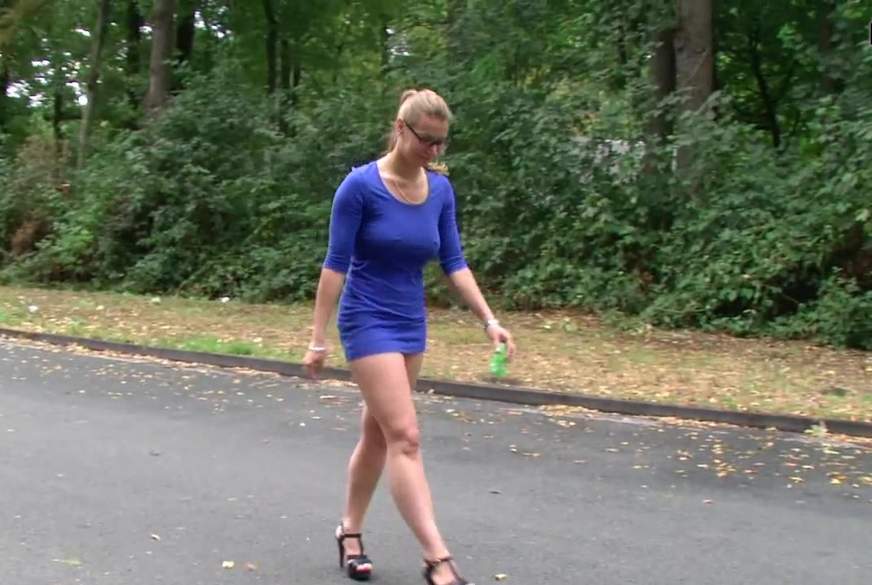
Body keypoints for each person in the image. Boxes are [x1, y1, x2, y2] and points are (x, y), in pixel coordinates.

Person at [302, 88, 515, 585]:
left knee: (377, 434)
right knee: (406, 436)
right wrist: (318, 338)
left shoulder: (440, 190)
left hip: (409, 322)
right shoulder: (359, 187)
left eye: (442, 143)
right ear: (401, 128)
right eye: (427, 140)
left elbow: (454, 261)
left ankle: (349, 531)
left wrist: (489, 319)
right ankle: (436, 558)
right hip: (366, 319)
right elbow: (335, 265)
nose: (434, 151)